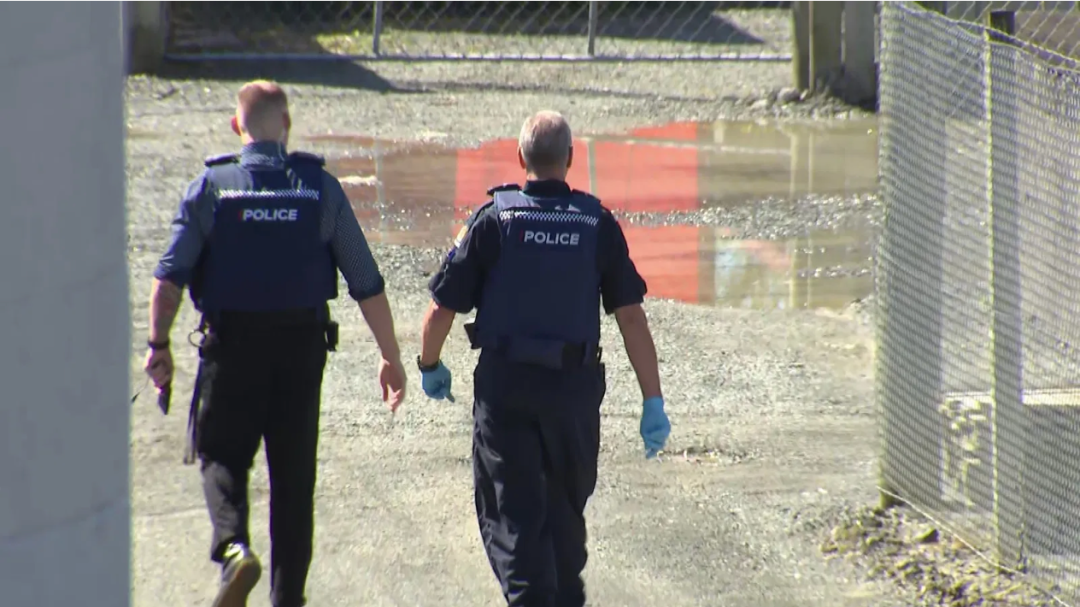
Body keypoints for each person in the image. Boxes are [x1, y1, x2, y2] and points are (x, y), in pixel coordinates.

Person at [144, 80, 407, 607]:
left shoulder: (212, 187)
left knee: (221, 456)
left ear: (236, 126)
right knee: (292, 479)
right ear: (286, 126)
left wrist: (159, 345)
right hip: (300, 350)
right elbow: (364, 278)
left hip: (231, 347)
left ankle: (234, 549)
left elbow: (169, 278)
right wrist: (390, 356)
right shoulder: (319, 188)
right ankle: (288, 598)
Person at [417, 110, 671, 607]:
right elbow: (631, 317)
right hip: (572, 393)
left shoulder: (494, 219)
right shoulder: (596, 223)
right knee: (564, 519)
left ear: (520, 158)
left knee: (511, 515)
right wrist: (652, 401)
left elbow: (442, 307)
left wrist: (430, 365)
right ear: (571, 159)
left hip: (507, 388)